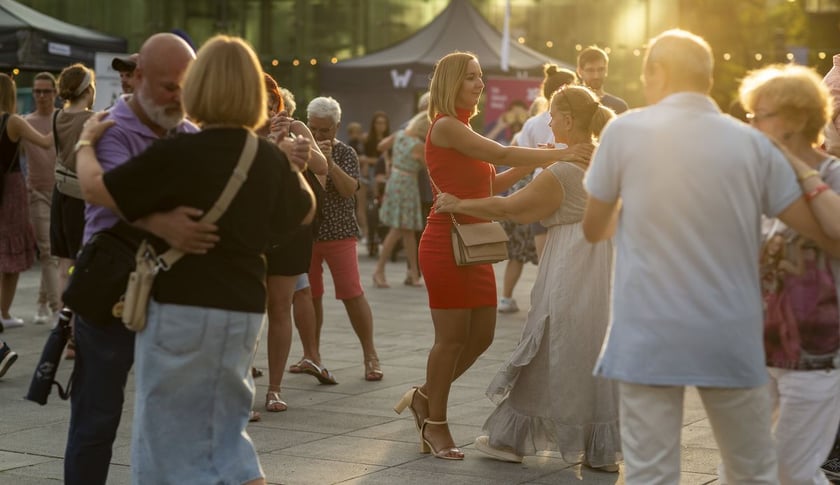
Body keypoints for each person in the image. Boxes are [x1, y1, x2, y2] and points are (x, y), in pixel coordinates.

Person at [581, 29, 840, 484]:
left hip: (649, 330)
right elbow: (815, 229)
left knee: (649, 472)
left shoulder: (623, 130)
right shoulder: (752, 143)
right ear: (708, 76)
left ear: (656, 72)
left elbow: (593, 228)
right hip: (732, 333)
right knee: (751, 469)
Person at [77, 34, 315, 485]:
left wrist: (86, 144)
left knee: (164, 444)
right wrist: (293, 170)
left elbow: (97, 189)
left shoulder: (179, 152)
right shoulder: (263, 155)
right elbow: (303, 211)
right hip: (244, 311)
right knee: (226, 436)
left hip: (181, 308)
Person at [392, 51, 594, 461]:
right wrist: (559, 154)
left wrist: (536, 161)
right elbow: (499, 155)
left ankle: (424, 397)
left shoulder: (463, 127)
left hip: (475, 240)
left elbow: (490, 183)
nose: (479, 84)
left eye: (480, 77)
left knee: (482, 335)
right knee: (450, 340)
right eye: (471, 77)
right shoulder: (446, 126)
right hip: (445, 242)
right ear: (450, 83)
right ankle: (435, 424)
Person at [435, 85, 621, 470]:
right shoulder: (605, 160)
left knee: (549, 343)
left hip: (571, 264)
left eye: (553, 115)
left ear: (568, 120)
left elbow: (512, 208)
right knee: (590, 349)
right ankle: (600, 448)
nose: (549, 122)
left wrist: (459, 203)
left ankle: (510, 438)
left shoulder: (565, 171)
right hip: (603, 267)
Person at [63, 33, 217, 485]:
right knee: (96, 419)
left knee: (170, 421)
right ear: (139, 79)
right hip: (110, 290)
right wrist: (164, 224)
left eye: (186, 87)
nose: (179, 97)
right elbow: (107, 192)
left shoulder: (189, 134)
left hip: (172, 294)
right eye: (170, 87)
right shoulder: (111, 127)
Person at [738, 63, 840, 485]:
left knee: (790, 472)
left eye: (762, 115)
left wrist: (797, 169)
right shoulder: (758, 177)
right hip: (758, 350)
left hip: (817, 352)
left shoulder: (832, 173)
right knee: (747, 465)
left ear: (796, 119)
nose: (753, 124)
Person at [261, 73, 332, 414]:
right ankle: (241, 381)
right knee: (247, 308)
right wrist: (273, 144)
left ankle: (274, 389)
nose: (270, 107)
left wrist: (298, 141)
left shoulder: (297, 129)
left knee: (280, 305)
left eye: (273, 101)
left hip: (290, 230)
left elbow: (321, 166)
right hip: (254, 227)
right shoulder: (244, 132)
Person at [306, 96, 383, 382]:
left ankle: (370, 355)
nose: (317, 135)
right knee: (309, 296)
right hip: (307, 234)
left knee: (352, 293)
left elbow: (350, 190)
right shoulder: (300, 149)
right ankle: (311, 356)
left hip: (339, 232)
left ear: (336, 127)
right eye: (313, 128)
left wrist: (328, 162)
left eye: (324, 130)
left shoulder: (346, 153)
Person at [0, 73, 52, 330]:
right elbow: (44, 142)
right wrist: (66, 124)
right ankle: (4, 313)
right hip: (11, 189)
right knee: (10, 255)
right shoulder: (14, 122)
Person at [371, 112, 430, 288]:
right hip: (407, 184)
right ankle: (379, 270)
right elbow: (430, 166)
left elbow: (381, 146)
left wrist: (390, 161)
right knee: (398, 228)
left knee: (407, 230)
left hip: (395, 181)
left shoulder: (399, 135)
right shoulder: (418, 146)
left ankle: (413, 272)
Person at [22, 72, 60, 323]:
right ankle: (58, 308)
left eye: (46, 91)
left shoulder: (62, 118)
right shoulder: (26, 122)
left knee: (57, 252)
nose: (41, 96)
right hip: (36, 192)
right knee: (46, 250)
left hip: (62, 191)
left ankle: (41, 302)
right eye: (37, 91)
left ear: (55, 93)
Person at [576, 46, 628, 115]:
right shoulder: (572, 104)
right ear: (579, 71)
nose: (596, 76)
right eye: (590, 70)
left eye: (600, 69)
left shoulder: (619, 106)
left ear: (606, 70)